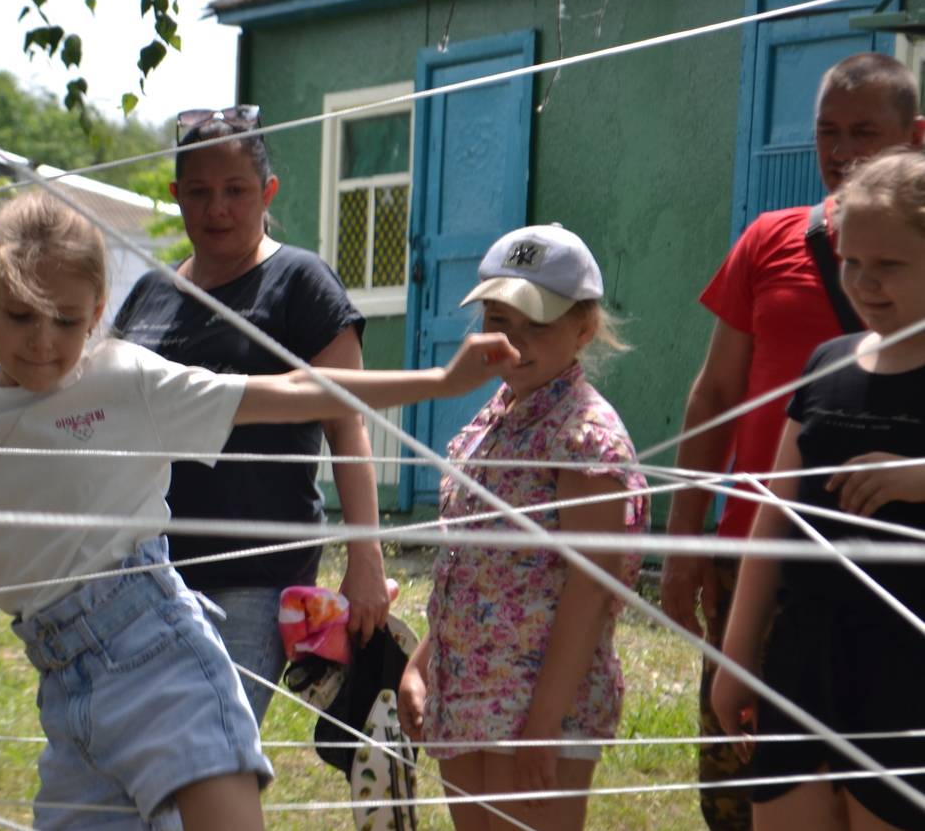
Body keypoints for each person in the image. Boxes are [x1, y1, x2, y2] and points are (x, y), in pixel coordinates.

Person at [0, 193, 521, 831]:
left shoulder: (124, 378)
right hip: (64, 690)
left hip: (158, 651)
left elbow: (292, 390)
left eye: (66, 320)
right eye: (21, 316)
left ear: (97, 310)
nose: (43, 341)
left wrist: (441, 380)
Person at [660, 52, 925, 830]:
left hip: (904, 644)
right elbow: (732, 427)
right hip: (791, 619)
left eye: (863, 132)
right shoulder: (812, 333)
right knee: (749, 804)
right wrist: (694, 556)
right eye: (826, 131)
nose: (841, 151)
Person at [113, 106, 389, 723]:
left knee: (215, 744)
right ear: (175, 195)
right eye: (199, 192)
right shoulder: (151, 293)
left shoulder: (301, 283)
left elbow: (347, 424)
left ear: (267, 193)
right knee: (148, 745)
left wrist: (366, 558)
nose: (217, 208)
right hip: (146, 569)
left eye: (236, 190)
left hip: (254, 574)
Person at [396, 224, 649, 831]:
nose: (513, 341)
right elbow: (471, 564)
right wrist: (422, 663)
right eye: (498, 320)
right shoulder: (494, 418)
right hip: (469, 692)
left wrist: (545, 721)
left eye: (536, 324)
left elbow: (591, 586)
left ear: (584, 328)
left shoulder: (583, 436)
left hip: (538, 703)